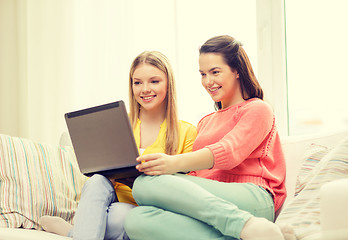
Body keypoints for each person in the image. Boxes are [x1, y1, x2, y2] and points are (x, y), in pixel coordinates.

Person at [124, 36, 296, 240]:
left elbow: (229, 151)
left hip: (254, 198)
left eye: (215, 72)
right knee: (136, 219)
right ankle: (252, 234)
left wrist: (172, 164)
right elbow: (197, 177)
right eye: (203, 74)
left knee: (146, 184)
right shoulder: (205, 122)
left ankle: (244, 224)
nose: (208, 82)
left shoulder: (258, 109)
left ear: (237, 71)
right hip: (213, 204)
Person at [39, 51, 197, 240]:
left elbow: (190, 188)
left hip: (149, 211)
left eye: (154, 81)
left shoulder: (187, 132)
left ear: (168, 83)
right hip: (112, 203)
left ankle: (72, 232)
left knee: (124, 218)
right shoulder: (119, 123)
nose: (145, 89)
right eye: (137, 82)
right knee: (97, 180)